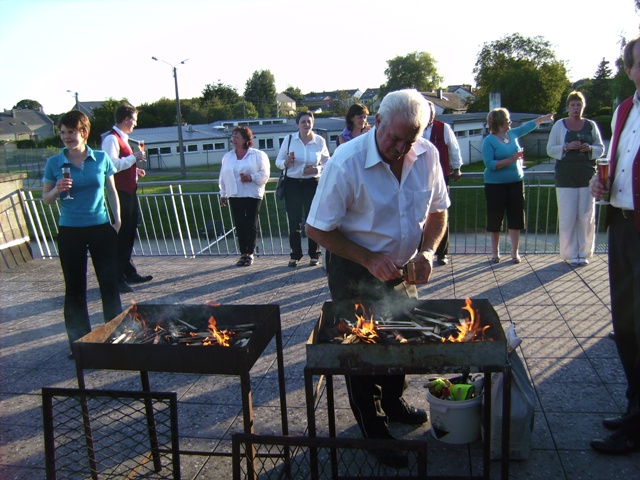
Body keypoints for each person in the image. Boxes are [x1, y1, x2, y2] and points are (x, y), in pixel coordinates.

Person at [306, 89, 449, 468]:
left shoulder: (428, 154)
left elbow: (438, 213)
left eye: (410, 140)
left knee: (400, 337)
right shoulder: (346, 162)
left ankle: (394, 401)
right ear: (378, 122)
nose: (400, 148)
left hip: (404, 263)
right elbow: (317, 229)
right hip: (353, 266)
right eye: (394, 138)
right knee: (363, 348)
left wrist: (428, 252)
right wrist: (368, 258)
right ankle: (372, 426)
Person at [589, 34, 640, 456]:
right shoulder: (623, 110)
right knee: (625, 325)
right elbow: (616, 165)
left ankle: (637, 427)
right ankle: (634, 408)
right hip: (621, 225)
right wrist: (598, 183)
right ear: (629, 70)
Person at [42, 110, 122, 357]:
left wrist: (117, 220)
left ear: (84, 132)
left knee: (109, 284)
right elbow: (45, 199)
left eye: (71, 132)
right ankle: (79, 343)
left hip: (100, 227)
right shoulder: (55, 163)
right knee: (75, 288)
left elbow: (111, 191)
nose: (66, 137)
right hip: (70, 231)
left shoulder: (100, 158)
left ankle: (116, 335)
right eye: (63, 132)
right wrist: (56, 189)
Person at [482, 108, 554, 264]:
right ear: (500, 121)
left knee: (516, 217)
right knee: (495, 218)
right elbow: (490, 164)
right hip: (495, 185)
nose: (510, 121)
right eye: (507, 119)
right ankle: (495, 253)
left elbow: (527, 127)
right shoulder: (489, 140)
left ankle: (515, 253)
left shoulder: (512, 134)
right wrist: (511, 159)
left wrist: (543, 118)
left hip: (516, 182)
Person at [547, 91, 605, 266]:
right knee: (567, 216)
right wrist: (566, 147)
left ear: (583, 107)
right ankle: (570, 253)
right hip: (565, 178)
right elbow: (550, 149)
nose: (575, 108)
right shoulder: (559, 125)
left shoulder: (591, 125)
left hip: (587, 177)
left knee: (586, 216)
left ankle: (584, 252)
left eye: (578, 105)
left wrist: (589, 148)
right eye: (572, 105)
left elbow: (600, 148)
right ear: (568, 107)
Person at [101, 103, 152, 293]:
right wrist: (134, 159)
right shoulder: (111, 140)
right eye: (134, 121)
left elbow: (122, 165)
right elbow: (111, 166)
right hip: (119, 194)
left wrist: (135, 170)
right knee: (121, 235)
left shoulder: (122, 139)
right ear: (126, 119)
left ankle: (128, 271)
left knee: (130, 233)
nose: (135, 125)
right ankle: (117, 277)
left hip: (129, 191)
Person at [275, 111, 330, 267]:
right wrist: (285, 161)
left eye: (309, 121)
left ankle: (314, 255)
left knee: (312, 220)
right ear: (297, 124)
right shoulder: (289, 139)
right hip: (292, 184)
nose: (307, 124)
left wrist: (317, 170)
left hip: (312, 184)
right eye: (303, 121)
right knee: (294, 222)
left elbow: (328, 162)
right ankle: (295, 255)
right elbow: (278, 162)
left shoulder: (319, 140)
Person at [218, 126, 270, 266]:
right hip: (234, 194)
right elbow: (223, 177)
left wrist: (251, 177)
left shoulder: (258, 155)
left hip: (252, 194)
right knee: (240, 224)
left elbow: (265, 174)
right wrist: (223, 193)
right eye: (233, 137)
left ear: (246, 139)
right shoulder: (228, 156)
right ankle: (243, 253)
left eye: (237, 137)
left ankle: (250, 253)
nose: (233, 140)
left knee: (251, 223)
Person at [424, 101, 463, 265]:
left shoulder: (443, 128)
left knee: (440, 212)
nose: (431, 115)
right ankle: (422, 251)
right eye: (428, 112)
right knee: (420, 215)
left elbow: (454, 148)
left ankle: (442, 253)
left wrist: (457, 168)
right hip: (420, 178)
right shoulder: (414, 128)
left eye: (432, 112)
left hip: (441, 176)